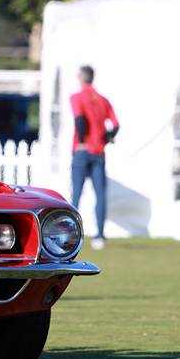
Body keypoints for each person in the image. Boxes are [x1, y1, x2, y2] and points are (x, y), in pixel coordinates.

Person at [70, 65, 119, 250]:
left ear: (81, 78)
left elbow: (79, 119)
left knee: (77, 194)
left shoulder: (77, 97)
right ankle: (100, 235)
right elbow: (115, 124)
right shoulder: (103, 100)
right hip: (99, 151)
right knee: (100, 194)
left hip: (82, 151)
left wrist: (82, 141)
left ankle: (72, 234)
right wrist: (107, 137)